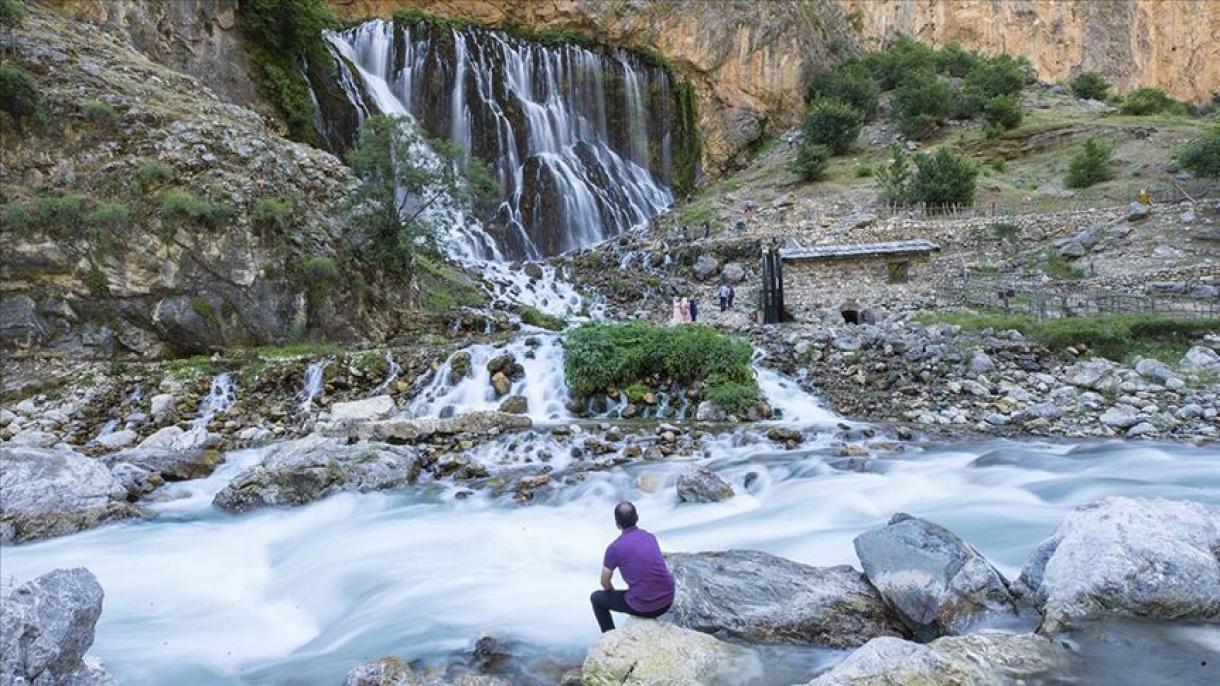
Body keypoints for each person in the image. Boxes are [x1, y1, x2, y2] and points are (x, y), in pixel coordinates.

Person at [590, 501, 675, 633]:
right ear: (637, 517)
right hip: (668, 600)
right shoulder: (650, 537)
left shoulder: (614, 548)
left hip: (645, 607)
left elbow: (604, 582)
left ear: (617, 524)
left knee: (596, 598)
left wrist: (611, 594)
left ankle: (609, 635)